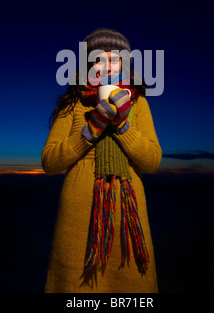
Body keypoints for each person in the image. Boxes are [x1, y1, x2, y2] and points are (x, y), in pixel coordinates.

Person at [41, 28, 162, 293]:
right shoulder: (73, 103)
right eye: (99, 58)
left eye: (115, 59)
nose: (107, 66)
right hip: (79, 216)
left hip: (129, 214)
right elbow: (50, 162)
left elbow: (152, 161)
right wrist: (91, 130)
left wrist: (122, 127)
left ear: (124, 65)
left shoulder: (138, 102)